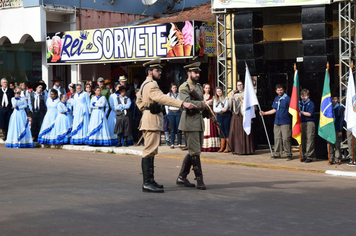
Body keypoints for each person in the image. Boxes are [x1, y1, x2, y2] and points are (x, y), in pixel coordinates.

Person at [136, 58, 196, 193]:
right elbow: (162, 98)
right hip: (151, 121)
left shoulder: (145, 84)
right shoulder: (152, 85)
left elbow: (138, 100)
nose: (160, 72)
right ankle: (147, 182)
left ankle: (150, 181)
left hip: (149, 119)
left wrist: (145, 109)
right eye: (158, 70)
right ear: (150, 72)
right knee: (149, 152)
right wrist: (181, 103)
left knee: (151, 151)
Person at [177, 62, 207, 190]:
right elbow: (187, 103)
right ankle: (199, 180)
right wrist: (202, 105)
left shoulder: (199, 86)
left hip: (198, 122)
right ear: (189, 73)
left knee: (194, 150)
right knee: (195, 152)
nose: (198, 74)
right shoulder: (184, 87)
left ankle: (182, 177)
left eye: (199, 72)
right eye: (195, 72)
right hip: (190, 122)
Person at [260, 84, 292, 160]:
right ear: (276, 91)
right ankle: (277, 153)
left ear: (283, 90)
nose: (279, 91)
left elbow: (292, 109)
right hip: (277, 122)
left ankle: (288, 154)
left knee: (286, 138)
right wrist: (265, 113)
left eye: (281, 90)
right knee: (277, 138)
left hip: (285, 122)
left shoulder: (287, 99)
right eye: (278, 90)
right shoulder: (276, 99)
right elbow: (274, 110)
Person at [228, 80, 255, 154]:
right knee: (236, 132)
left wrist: (243, 101)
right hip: (236, 115)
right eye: (238, 85)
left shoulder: (246, 93)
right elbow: (230, 105)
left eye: (240, 84)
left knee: (244, 131)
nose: (239, 86)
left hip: (244, 114)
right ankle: (237, 149)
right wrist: (232, 95)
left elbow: (251, 104)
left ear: (243, 85)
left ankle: (246, 149)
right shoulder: (235, 94)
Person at [201, 83, 220, 152]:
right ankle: (204, 146)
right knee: (204, 130)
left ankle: (212, 146)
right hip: (203, 116)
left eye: (209, 88)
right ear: (203, 89)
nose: (207, 89)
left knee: (211, 130)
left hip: (210, 116)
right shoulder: (201, 97)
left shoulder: (212, 97)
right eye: (206, 88)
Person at [299, 89, 316, 163]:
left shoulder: (311, 103)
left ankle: (309, 156)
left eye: (305, 96)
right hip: (302, 122)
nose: (303, 97)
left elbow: (309, 114)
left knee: (309, 139)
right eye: (302, 96)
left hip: (309, 122)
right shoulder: (299, 103)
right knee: (302, 139)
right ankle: (303, 155)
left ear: (308, 96)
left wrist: (301, 112)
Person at [213, 86, 231, 153]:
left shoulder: (226, 98)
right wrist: (220, 109)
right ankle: (222, 147)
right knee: (221, 131)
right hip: (219, 116)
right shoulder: (215, 99)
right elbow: (215, 109)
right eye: (217, 91)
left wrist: (219, 110)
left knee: (227, 131)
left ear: (222, 91)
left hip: (226, 116)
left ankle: (227, 147)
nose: (219, 92)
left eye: (220, 91)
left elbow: (225, 108)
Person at [165, 83, 182, 149]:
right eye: (173, 88)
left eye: (175, 87)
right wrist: (167, 112)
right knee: (172, 129)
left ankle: (179, 143)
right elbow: (166, 104)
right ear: (171, 89)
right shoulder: (168, 95)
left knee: (178, 129)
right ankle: (172, 143)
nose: (175, 89)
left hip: (178, 112)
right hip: (171, 112)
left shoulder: (179, 95)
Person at [330, 94, 345, 165]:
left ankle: (337, 158)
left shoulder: (340, 108)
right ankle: (331, 158)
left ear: (338, 100)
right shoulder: (329, 108)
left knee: (337, 145)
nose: (334, 100)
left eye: (335, 99)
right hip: (330, 129)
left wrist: (340, 130)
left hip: (336, 128)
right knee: (330, 145)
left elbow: (341, 120)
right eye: (332, 99)